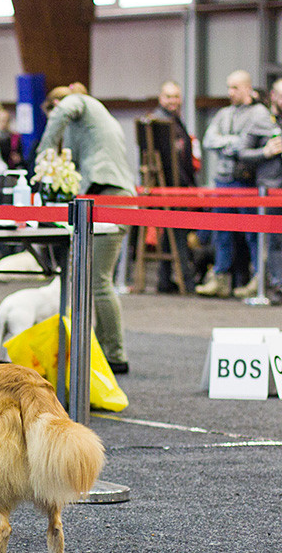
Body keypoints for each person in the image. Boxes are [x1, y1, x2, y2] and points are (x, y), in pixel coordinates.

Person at [36, 85, 134, 374]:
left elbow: (66, 108)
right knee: (94, 282)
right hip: (99, 198)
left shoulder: (81, 103)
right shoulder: (90, 126)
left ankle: (116, 354)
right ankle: (104, 351)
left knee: (100, 282)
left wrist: (44, 152)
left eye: (53, 111)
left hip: (111, 197)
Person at [198, 70, 273, 297]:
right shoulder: (224, 113)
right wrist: (233, 143)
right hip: (223, 181)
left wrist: (237, 147)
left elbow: (258, 144)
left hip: (245, 182)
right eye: (229, 87)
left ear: (248, 89)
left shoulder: (259, 114)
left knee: (253, 232)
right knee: (221, 231)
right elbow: (209, 140)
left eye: (235, 88)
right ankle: (220, 277)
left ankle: (259, 280)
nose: (230, 92)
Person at [146, 80, 199, 293]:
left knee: (173, 235)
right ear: (161, 98)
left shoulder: (175, 120)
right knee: (177, 235)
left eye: (176, 96)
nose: (173, 101)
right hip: (169, 188)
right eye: (168, 97)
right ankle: (186, 283)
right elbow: (163, 161)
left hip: (179, 186)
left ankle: (165, 280)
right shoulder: (159, 123)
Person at [233, 77, 282, 302]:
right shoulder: (260, 119)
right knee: (273, 241)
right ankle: (276, 286)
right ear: (273, 96)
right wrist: (266, 152)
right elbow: (242, 153)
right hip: (269, 191)